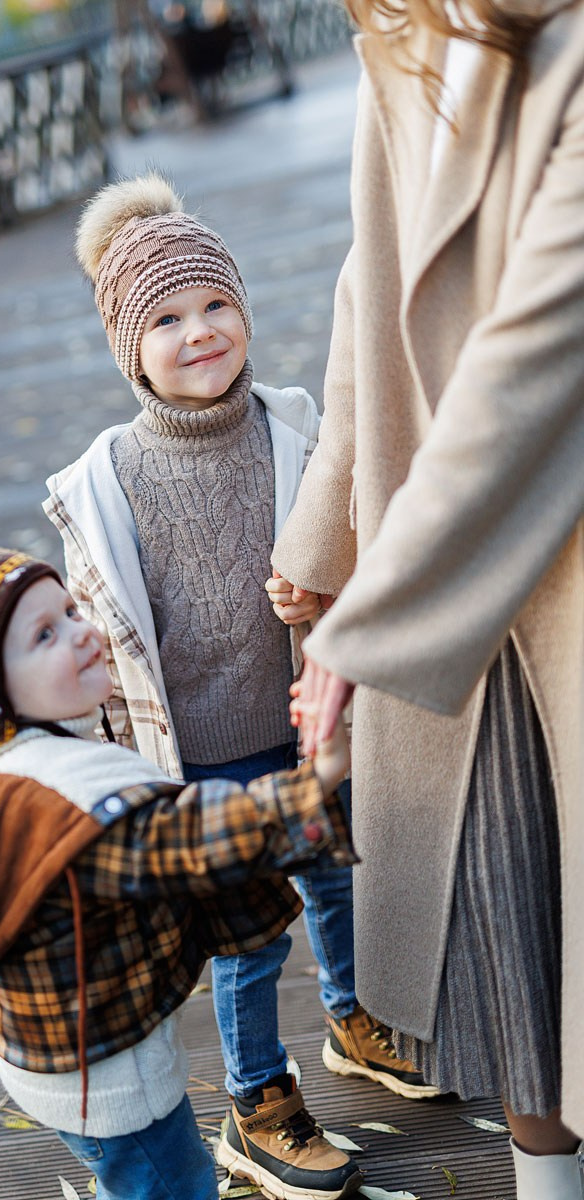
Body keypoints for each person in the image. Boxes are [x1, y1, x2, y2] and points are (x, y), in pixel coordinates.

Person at [42, 172, 436, 1197]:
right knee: (248, 935)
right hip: (199, 762)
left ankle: (354, 1017)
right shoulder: (106, 480)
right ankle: (256, 1102)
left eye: (216, 304)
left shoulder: (295, 427)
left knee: (337, 881)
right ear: (129, 349)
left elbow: (354, 535)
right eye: (166, 319)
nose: (200, 332)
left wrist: (321, 587)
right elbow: (103, 640)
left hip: (302, 725)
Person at [270, 0, 584, 1196]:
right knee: (505, 932)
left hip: (524, 540)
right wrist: (323, 544)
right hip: (439, 554)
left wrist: (371, 616)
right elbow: (371, 300)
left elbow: (532, 363)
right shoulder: (399, 38)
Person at [0, 529, 361, 1200]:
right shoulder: (64, 813)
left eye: (69, 610)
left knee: (130, 1178)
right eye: (45, 635)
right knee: (170, 1183)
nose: (83, 631)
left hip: (57, 1051)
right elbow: (193, 835)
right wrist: (321, 773)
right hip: (107, 1077)